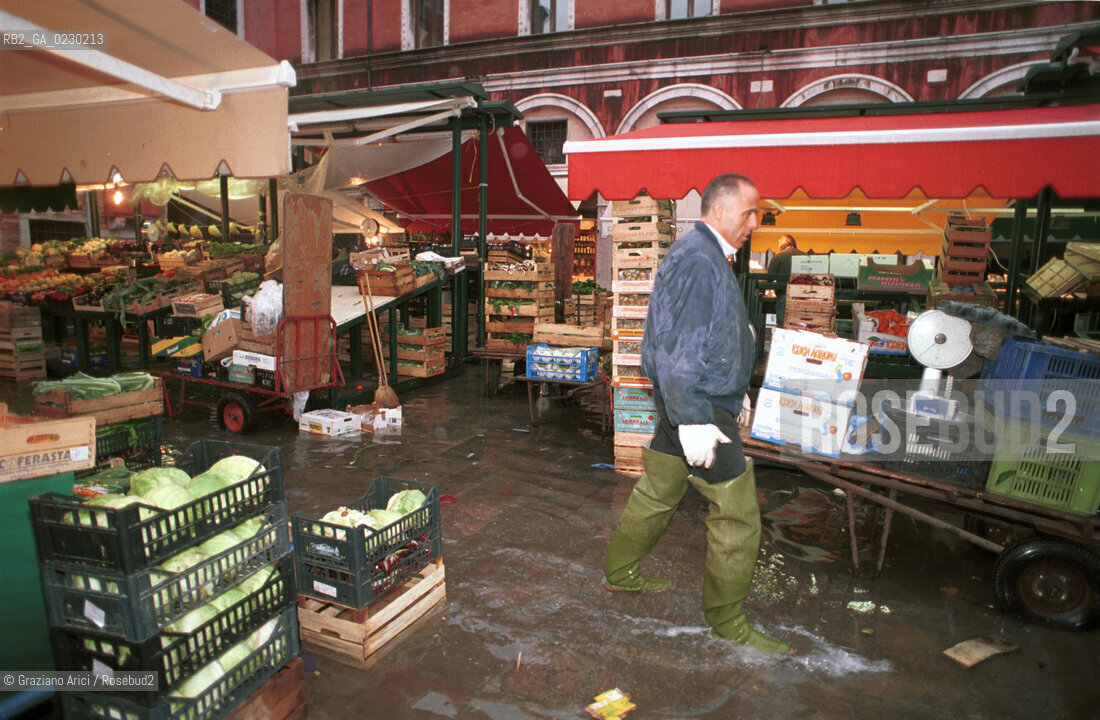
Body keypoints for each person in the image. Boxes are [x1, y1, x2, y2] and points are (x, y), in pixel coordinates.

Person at [602, 174, 792, 655]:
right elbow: (678, 349)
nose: (755, 222)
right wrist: (693, 419)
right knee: (737, 513)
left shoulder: (705, 257)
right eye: (750, 212)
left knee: (659, 488)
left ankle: (620, 572)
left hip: (698, 399)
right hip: (699, 405)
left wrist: (736, 380)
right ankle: (728, 622)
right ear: (721, 211)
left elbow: (705, 334)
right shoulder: (697, 258)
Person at [767, 234, 804, 327]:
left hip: (784, 296)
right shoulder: (804, 255)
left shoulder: (779, 256)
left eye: (780, 242)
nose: (779, 245)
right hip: (803, 298)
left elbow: (769, 278)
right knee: (800, 328)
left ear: (785, 243)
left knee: (782, 326)